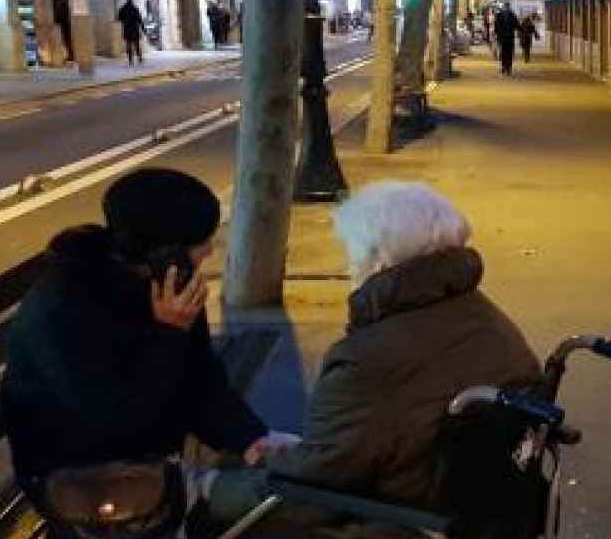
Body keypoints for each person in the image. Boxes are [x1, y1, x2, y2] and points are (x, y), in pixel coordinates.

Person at [205, 181, 541, 520]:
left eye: (351, 254)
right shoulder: (485, 318)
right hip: (476, 516)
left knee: (212, 512)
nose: (348, 268)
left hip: (400, 531)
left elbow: (315, 480)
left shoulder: (367, 362)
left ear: (378, 261)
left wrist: (212, 486)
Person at [2, 169, 289, 539]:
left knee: (286, 474)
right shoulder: (65, 307)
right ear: (165, 252)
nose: (209, 252)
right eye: (200, 243)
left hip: (148, 458)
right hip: (80, 483)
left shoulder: (163, 285)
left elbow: (199, 380)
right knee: (268, 506)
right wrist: (168, 335)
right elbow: (115, 428)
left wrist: (251, 438)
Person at [493, 4, 520, 76]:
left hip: (502, 37)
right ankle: (508, 68)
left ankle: (504, 67)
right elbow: (517, 25)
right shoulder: (512, 15)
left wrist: (497, 34)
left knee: (503, 52)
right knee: (509, 53)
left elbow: (496, 26)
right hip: (510, 37)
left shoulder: (499, 15)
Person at [117, 0, 145, 65]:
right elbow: (140, 20)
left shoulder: (122, 9)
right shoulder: (135, 9)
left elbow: (119, 18)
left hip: (127, 30)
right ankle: (139, 57)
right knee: (137, 45)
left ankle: (130, 59)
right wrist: (143, 29)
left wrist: (125, 21)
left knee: (128, 45)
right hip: (135, 29)